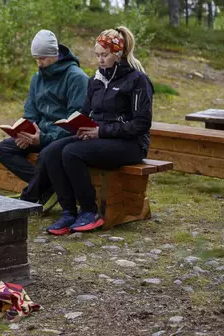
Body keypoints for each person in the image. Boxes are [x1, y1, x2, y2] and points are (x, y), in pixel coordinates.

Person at [37, 26, 153, 235]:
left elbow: (141, 124)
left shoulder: (137, 80)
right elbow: (85, 113)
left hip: (132, 144)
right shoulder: (96, 81)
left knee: (71, 153)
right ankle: (68, 213)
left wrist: (100, 132)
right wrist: (76, 125)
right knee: (52, 151)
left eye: (105, 55)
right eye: (97, 55)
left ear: (118, 53)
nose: (100, 60)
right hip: (100, 138)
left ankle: (89, 211)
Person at [0, 30, 88, 202]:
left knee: (46, 154)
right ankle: (49, 184)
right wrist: (23, 133)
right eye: (36, 59)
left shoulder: (76, 78)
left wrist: (42, 139)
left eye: (43, 58)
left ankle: (29, 197)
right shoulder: (37, 78)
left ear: (55, 55)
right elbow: (31, 113)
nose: (39, 64)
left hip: (63, 137)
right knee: (2, 150)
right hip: (38, 134)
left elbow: (74, 123)